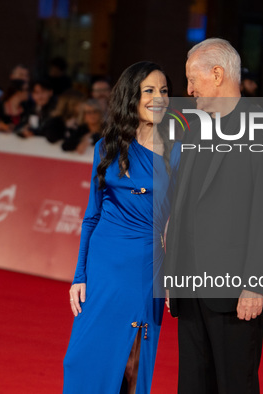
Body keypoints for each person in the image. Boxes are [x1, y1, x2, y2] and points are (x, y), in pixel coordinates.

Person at [164, 38, 263, 393]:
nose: (188, 90)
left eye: (192, 79)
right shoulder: (195, 127)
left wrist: (256, 283)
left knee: (236, 384)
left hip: (234, 292)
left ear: (217, 74)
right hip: (189, 287)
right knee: (192, 384)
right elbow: (183, 204)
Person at [63, 61, 180, 394]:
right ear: (132, 96)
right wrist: (80, 275)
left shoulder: (179, 152)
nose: (158, 98)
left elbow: (180, 223)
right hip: (103, 264)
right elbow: (92, 215)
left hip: (145, 264)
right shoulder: (107, 147)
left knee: (132, 363)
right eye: (149, 91)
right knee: (79, 359)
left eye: (164, 91)